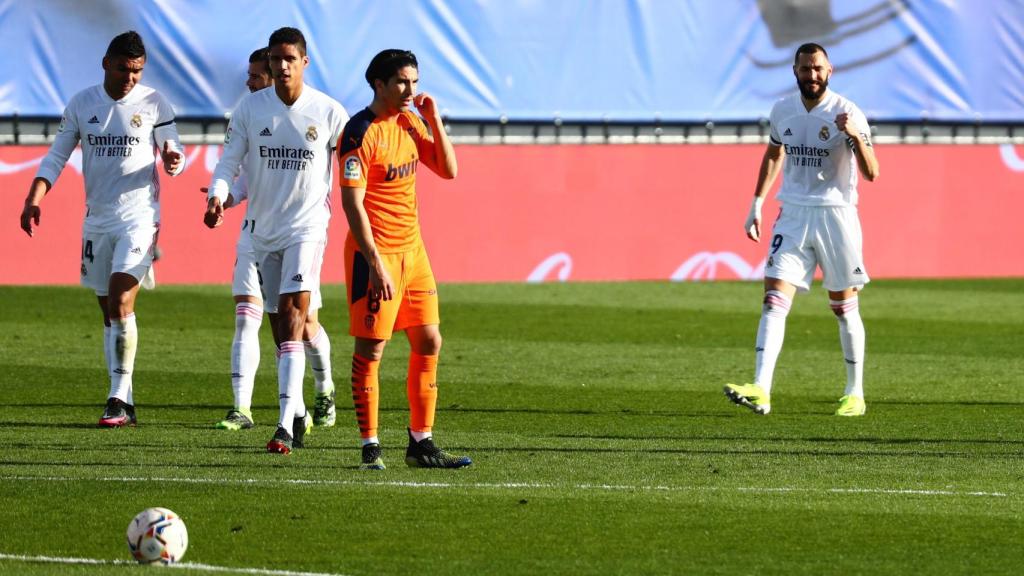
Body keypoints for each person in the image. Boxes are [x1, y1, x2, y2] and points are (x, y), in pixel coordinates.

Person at [19, 31, 184, 427]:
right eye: (125, 69)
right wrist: (34, 198)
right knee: (109, 313)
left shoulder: (154, 102)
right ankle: (124, 395)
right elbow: (57, 155)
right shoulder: (82, 103)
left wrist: (173, 157)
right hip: (97, 218)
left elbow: (171, 144)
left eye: (138, 71)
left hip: (140, 216)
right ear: (106, 63)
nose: (131, 78)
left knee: (120, 299)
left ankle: (115, 398)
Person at [204, 28, 348, 454]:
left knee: (292, 315)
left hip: (307, 228)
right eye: (275, 59)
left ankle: (284, 424)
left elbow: (354, 160)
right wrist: (217, 196)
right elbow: (230, 161)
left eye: (289, 58)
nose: (281, 66)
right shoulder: (250, 108)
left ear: (304, 62)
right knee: (281, 329)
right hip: (261, 231)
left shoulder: (328, 111)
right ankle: (300, 409)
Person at [725, 43, 880, 417]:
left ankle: (854, 394)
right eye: (805, 69)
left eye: (818, 69)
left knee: (843, 307)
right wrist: (757, 203)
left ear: (830, 71)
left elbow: (872, 172)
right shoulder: (782, 110)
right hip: (793, 213)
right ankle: (761, 388)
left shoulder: (848, 111)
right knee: (773, 298)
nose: (812, 75)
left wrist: (856, 136)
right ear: (794, 70)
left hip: (836, 214)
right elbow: (775, 153)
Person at [338, 49, 471, 469]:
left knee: (430, 339)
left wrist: (434, 121)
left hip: (414, 252)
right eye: (401, 82)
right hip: (373, 255)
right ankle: (370, 447)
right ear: (378, 84)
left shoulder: (412, 120)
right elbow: (352, 203)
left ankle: (421, 442)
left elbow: (448, 170)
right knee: (372, 349)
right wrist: (374, 262)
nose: (410, 90)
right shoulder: (360, 132)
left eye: (414, 81)